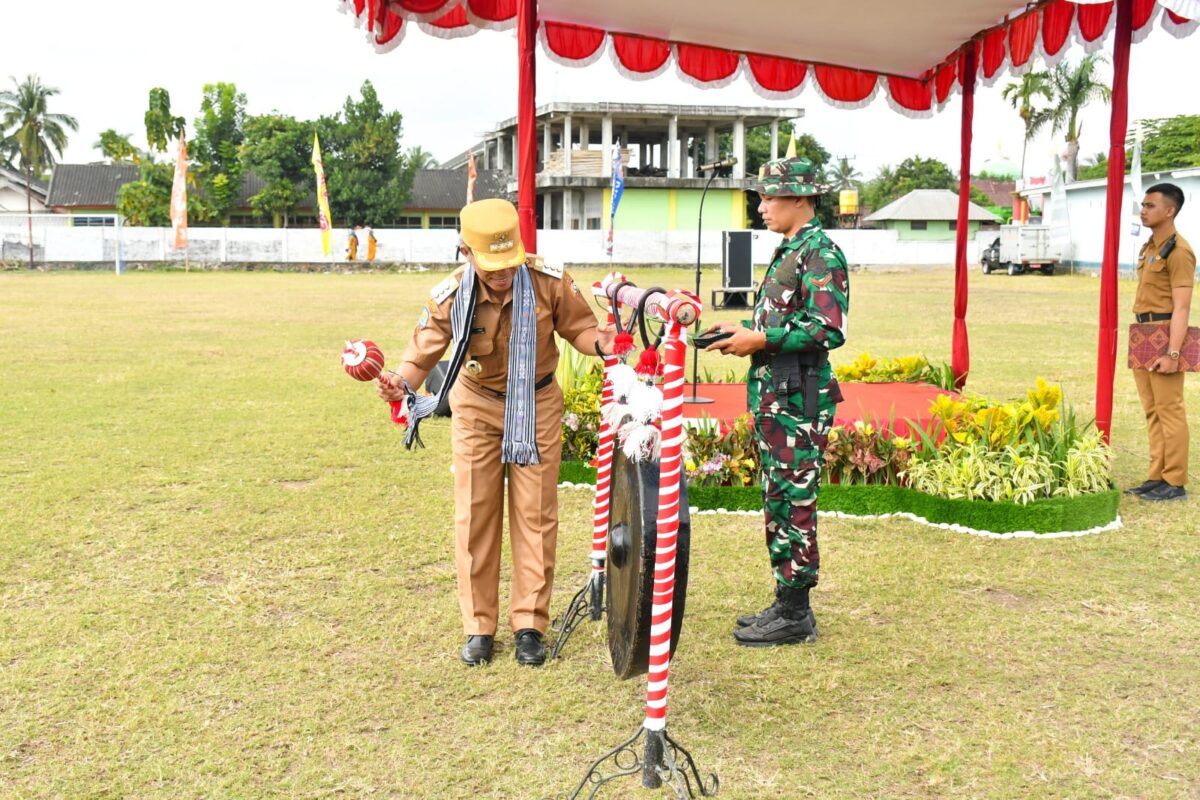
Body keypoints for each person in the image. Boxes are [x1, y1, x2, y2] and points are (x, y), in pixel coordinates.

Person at [377, 198, 615, 666]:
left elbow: (582, 328)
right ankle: (479, 628)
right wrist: (399, 383)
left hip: (537, 403)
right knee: (475, 512)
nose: (504, 275)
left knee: (536, 514)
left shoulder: (547, 281)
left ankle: (529, 624)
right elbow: (421, 352)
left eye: (509, 264)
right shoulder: (451, 295)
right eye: (492, 266)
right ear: (465, 251)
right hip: (477, 407)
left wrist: (605, 344)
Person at [703, 156, 849, 647]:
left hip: (799, 400)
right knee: (778, 498)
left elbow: (827, 328)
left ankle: (797, 613)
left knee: (795, 498)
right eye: (762, 196)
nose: (761, 206)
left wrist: (760, 341)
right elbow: (782, 319)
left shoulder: (820, 254)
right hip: (776, 397)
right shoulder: (792, 250)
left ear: (801, 199)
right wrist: (741, 331)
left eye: (770, 197)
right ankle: (787, 601)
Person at [1125, 183, 1195, 502]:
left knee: (1170, 408)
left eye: (1150, 205)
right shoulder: (1150, 247)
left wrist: (1173, 353)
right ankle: (1157, 475)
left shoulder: (1178, 250)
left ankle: (1175, 480)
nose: (1143, 209)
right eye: (1143, 204)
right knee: (1152, 409)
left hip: (1165, 333)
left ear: (1170, 211)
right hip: (1142, 331)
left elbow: (1182, 306)